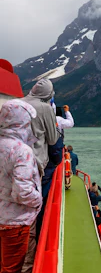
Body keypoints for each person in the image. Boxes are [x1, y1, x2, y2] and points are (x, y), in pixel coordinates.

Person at [0, 100, 42, 273]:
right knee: (12, 268)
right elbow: (22, 191)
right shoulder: (21, 150)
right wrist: (38, 200)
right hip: (15, 221)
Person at [22, 78, 59, 273]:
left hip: (12, 161)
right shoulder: (44, 108)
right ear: (48, 94)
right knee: (33, 211)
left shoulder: (18, 103)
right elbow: (53, 139)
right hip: (35, 164)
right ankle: (30, 265)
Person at [22, 78, 59, 176]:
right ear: (48, 94)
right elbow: (52, 140)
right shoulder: (46, 108)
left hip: (13, 156)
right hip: (34, 160)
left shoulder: (16, 102)